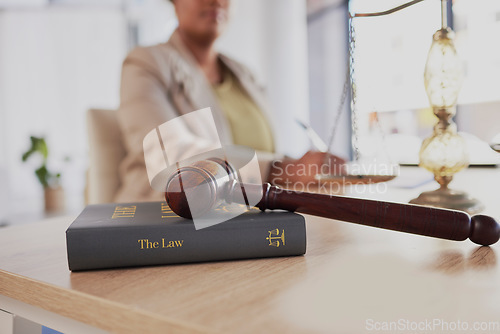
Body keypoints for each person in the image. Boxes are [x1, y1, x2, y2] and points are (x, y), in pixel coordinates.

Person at [114, 0, 344, 202]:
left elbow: (266, 153)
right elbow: (171, 157)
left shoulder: (246, 75)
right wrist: (282, 169)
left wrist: (306, 167)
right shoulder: (145, 63)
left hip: (248, 217)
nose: (216, 1)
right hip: (166, 222)